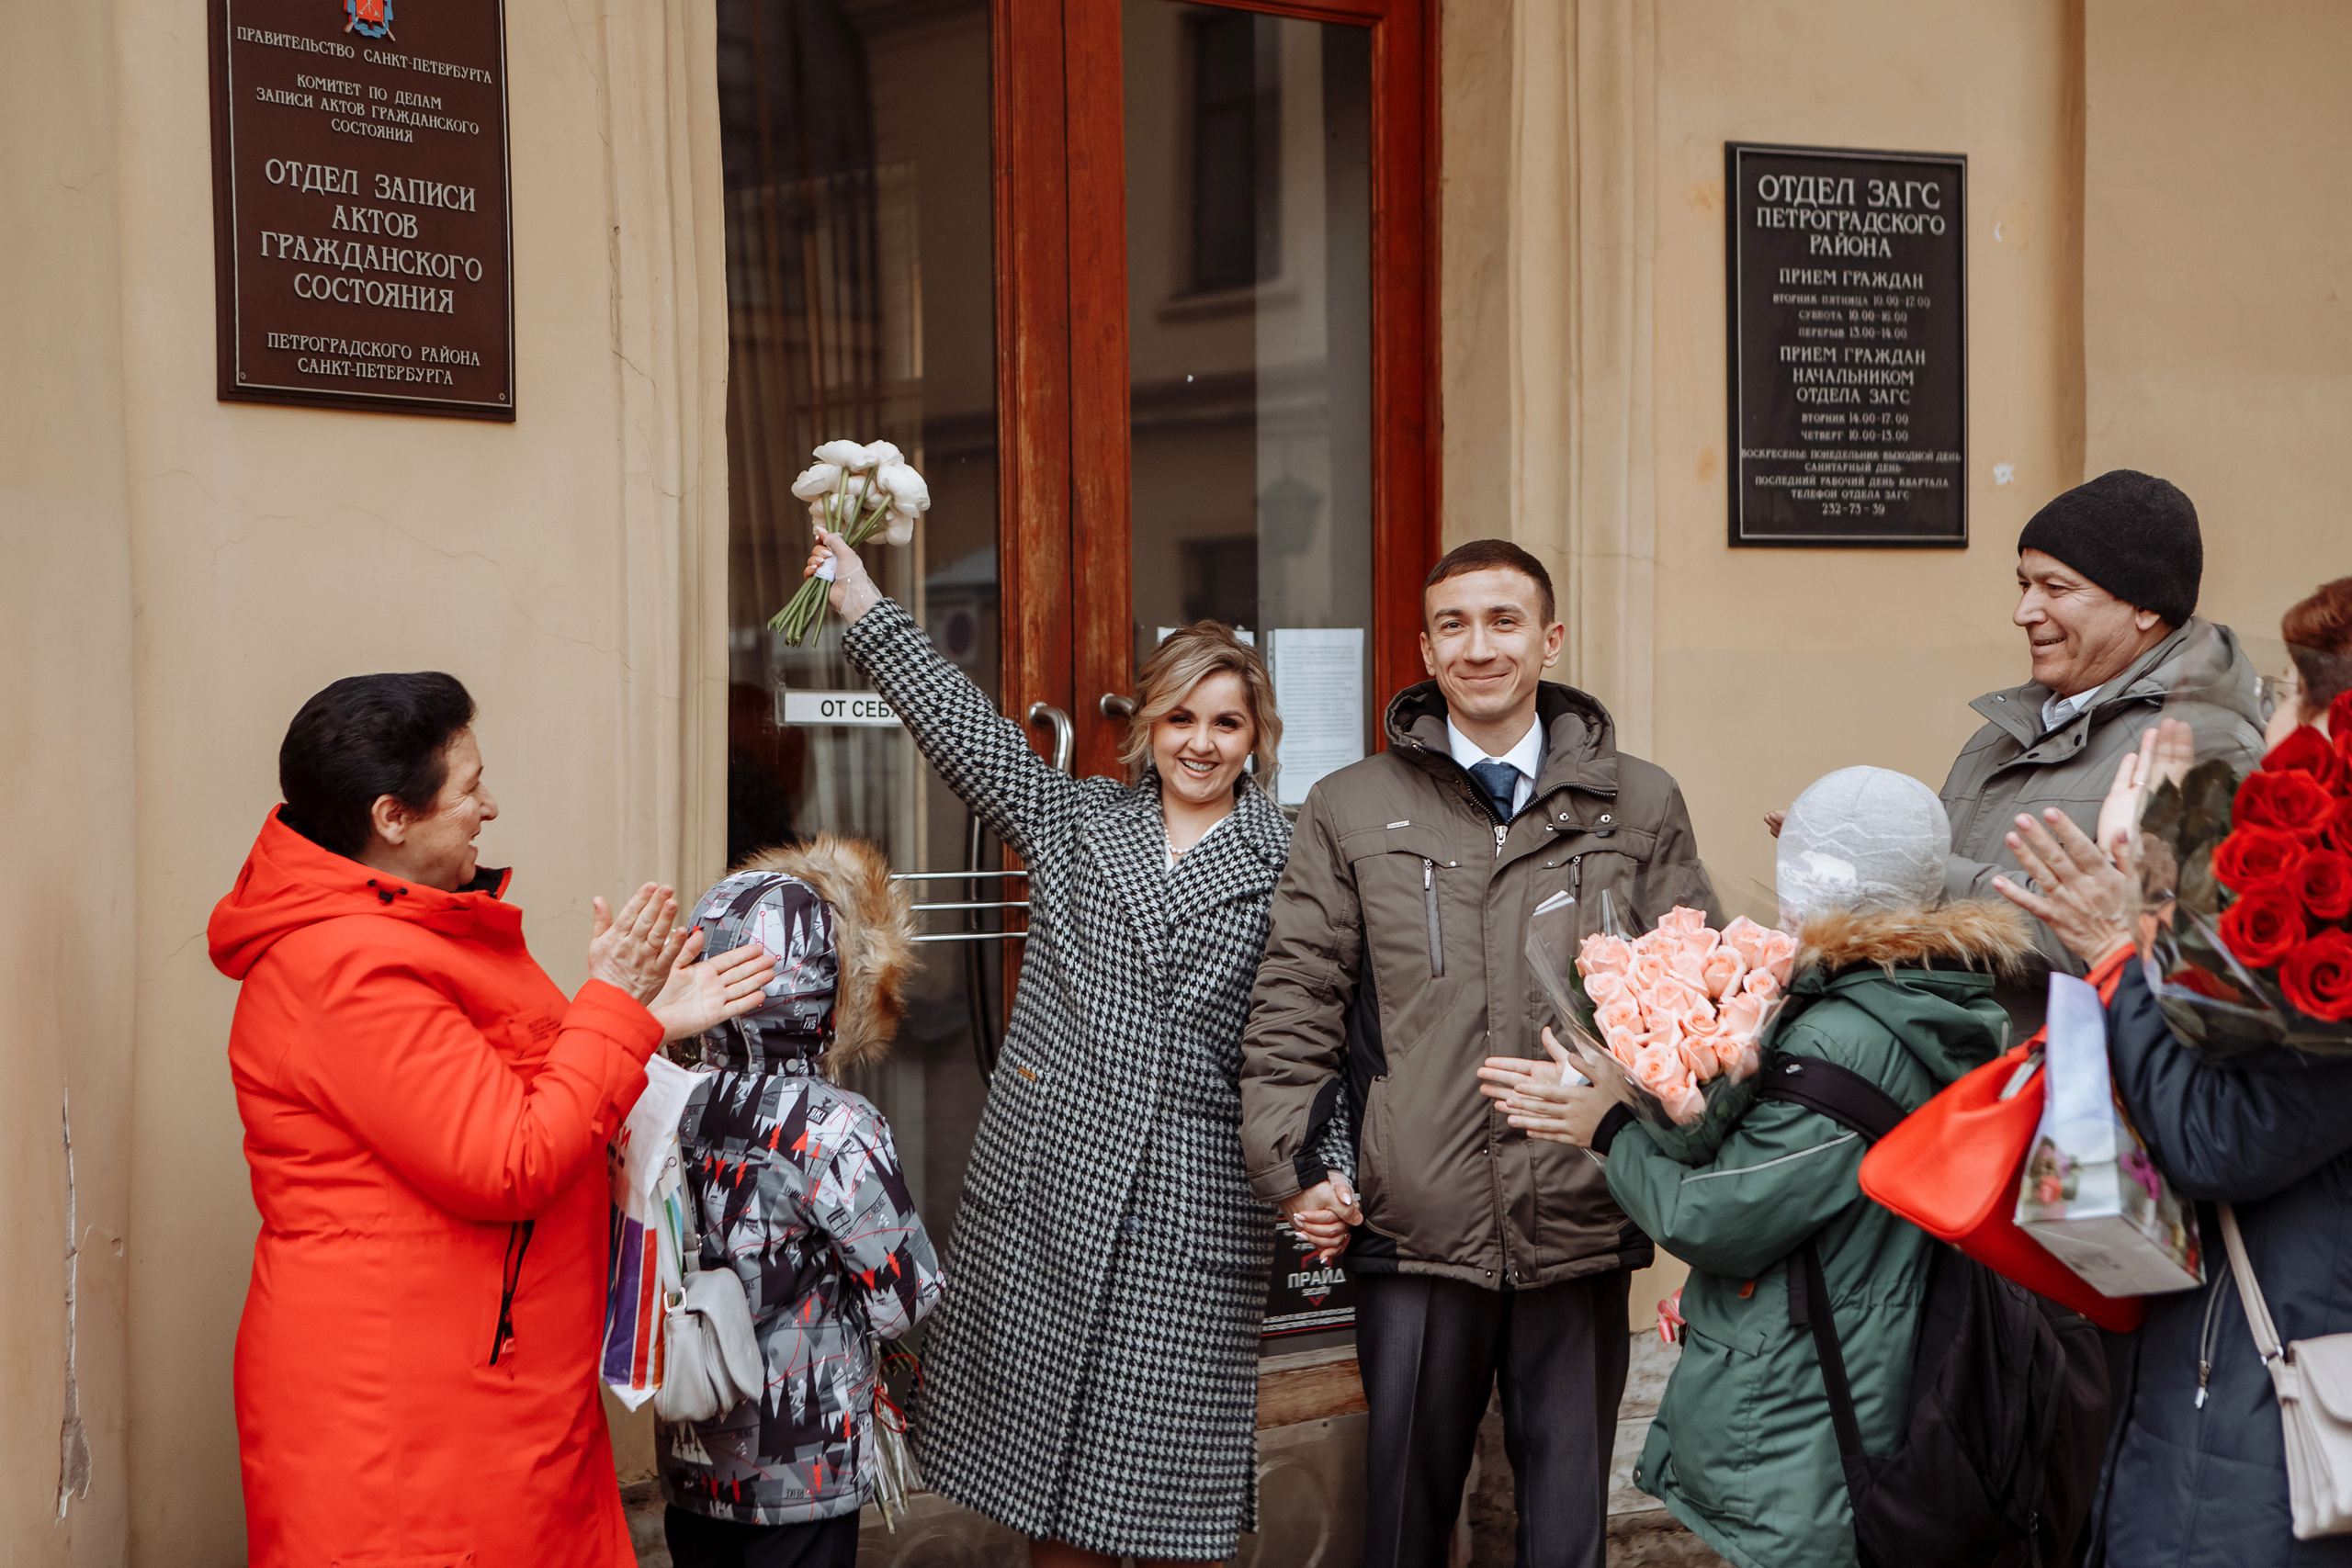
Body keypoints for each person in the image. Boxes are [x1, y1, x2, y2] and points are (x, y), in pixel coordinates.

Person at [804, 527, 1293, 1567]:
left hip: (1190, 1206)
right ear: (1147, 724)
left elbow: (1312, 1033)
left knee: (1156, 1509)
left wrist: (1320, 1173)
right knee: (1053, 1510)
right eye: (1180, 717)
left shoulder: (1292, 860)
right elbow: (963, 730)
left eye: (1226, 721)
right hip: (1050, 1188)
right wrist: (862, 604)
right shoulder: (1077, 822)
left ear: (1257, 736)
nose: (1201, 743)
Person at [209, 672, 775, 1568]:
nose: (491, 807)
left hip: (489, 1374)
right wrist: (615, 1007)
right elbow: (510, 1157)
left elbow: (525, 1090)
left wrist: (642, 1017)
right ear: (392, 817)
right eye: (469, 788)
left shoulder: (413, 928)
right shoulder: (346, 970)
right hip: (411, 1405)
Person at [1240, 538, 1702, 1568]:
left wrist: (1641, 1123)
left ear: (1550, 638)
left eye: (1504, 621)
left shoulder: (1638, 802)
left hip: (1580, 1211)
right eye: (1453, 625)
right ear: (1425, 648)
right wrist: (1295, 1168)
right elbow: (1297, 999)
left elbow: (1686, 997)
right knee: (1405, 1526)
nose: (1479, 646)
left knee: (1567, 1535)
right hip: (1413, 1222)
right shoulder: (1351, 805)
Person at [1489, 768, 2028, 1568]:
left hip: (1811, 1402)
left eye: (1803, 869)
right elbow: (1789, 1178)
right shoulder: (1920, 996)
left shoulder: (1846, 1031)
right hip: (1851, 1348)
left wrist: (1606, 1127)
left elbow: (1718, 1216)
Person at [1996, 601, 2352, 1568]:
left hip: (2269, 1428)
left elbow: (2215, 1138)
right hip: (2228, 1390)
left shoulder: (2333, 954)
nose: (2271, 713)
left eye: (2291, 691)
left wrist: (2123, 940)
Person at [1770, 469, 2266, 1033]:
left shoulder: (2206, 746)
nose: (2024, 611)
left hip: (2075, 1079)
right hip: (1974, 1067)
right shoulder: (2003, 730)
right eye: (2024, 585)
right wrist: (1852, 855)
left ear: (2146, 606)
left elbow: (2144, 945)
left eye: (2056, 588)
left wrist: (1904, 868)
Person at [656, 836, 944, 1568]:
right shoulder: (834, 1125)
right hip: (803, 1464)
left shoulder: (663, 1098)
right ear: (824, 981)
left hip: (693, 1451)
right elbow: (905, 1296)